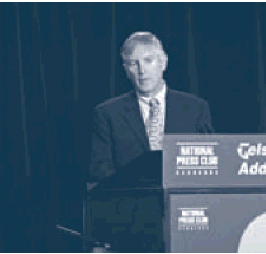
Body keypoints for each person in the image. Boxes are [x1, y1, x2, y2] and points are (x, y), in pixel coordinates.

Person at [88, 31, 214, 252]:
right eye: (133, 64)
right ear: (126, 70)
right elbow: (100, 173)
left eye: (148, 61)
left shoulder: (195, 109)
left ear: (163, 62)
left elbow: (211, 166)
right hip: (130, 229)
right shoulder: (107, 113)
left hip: (188, 222)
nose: (142, 71)